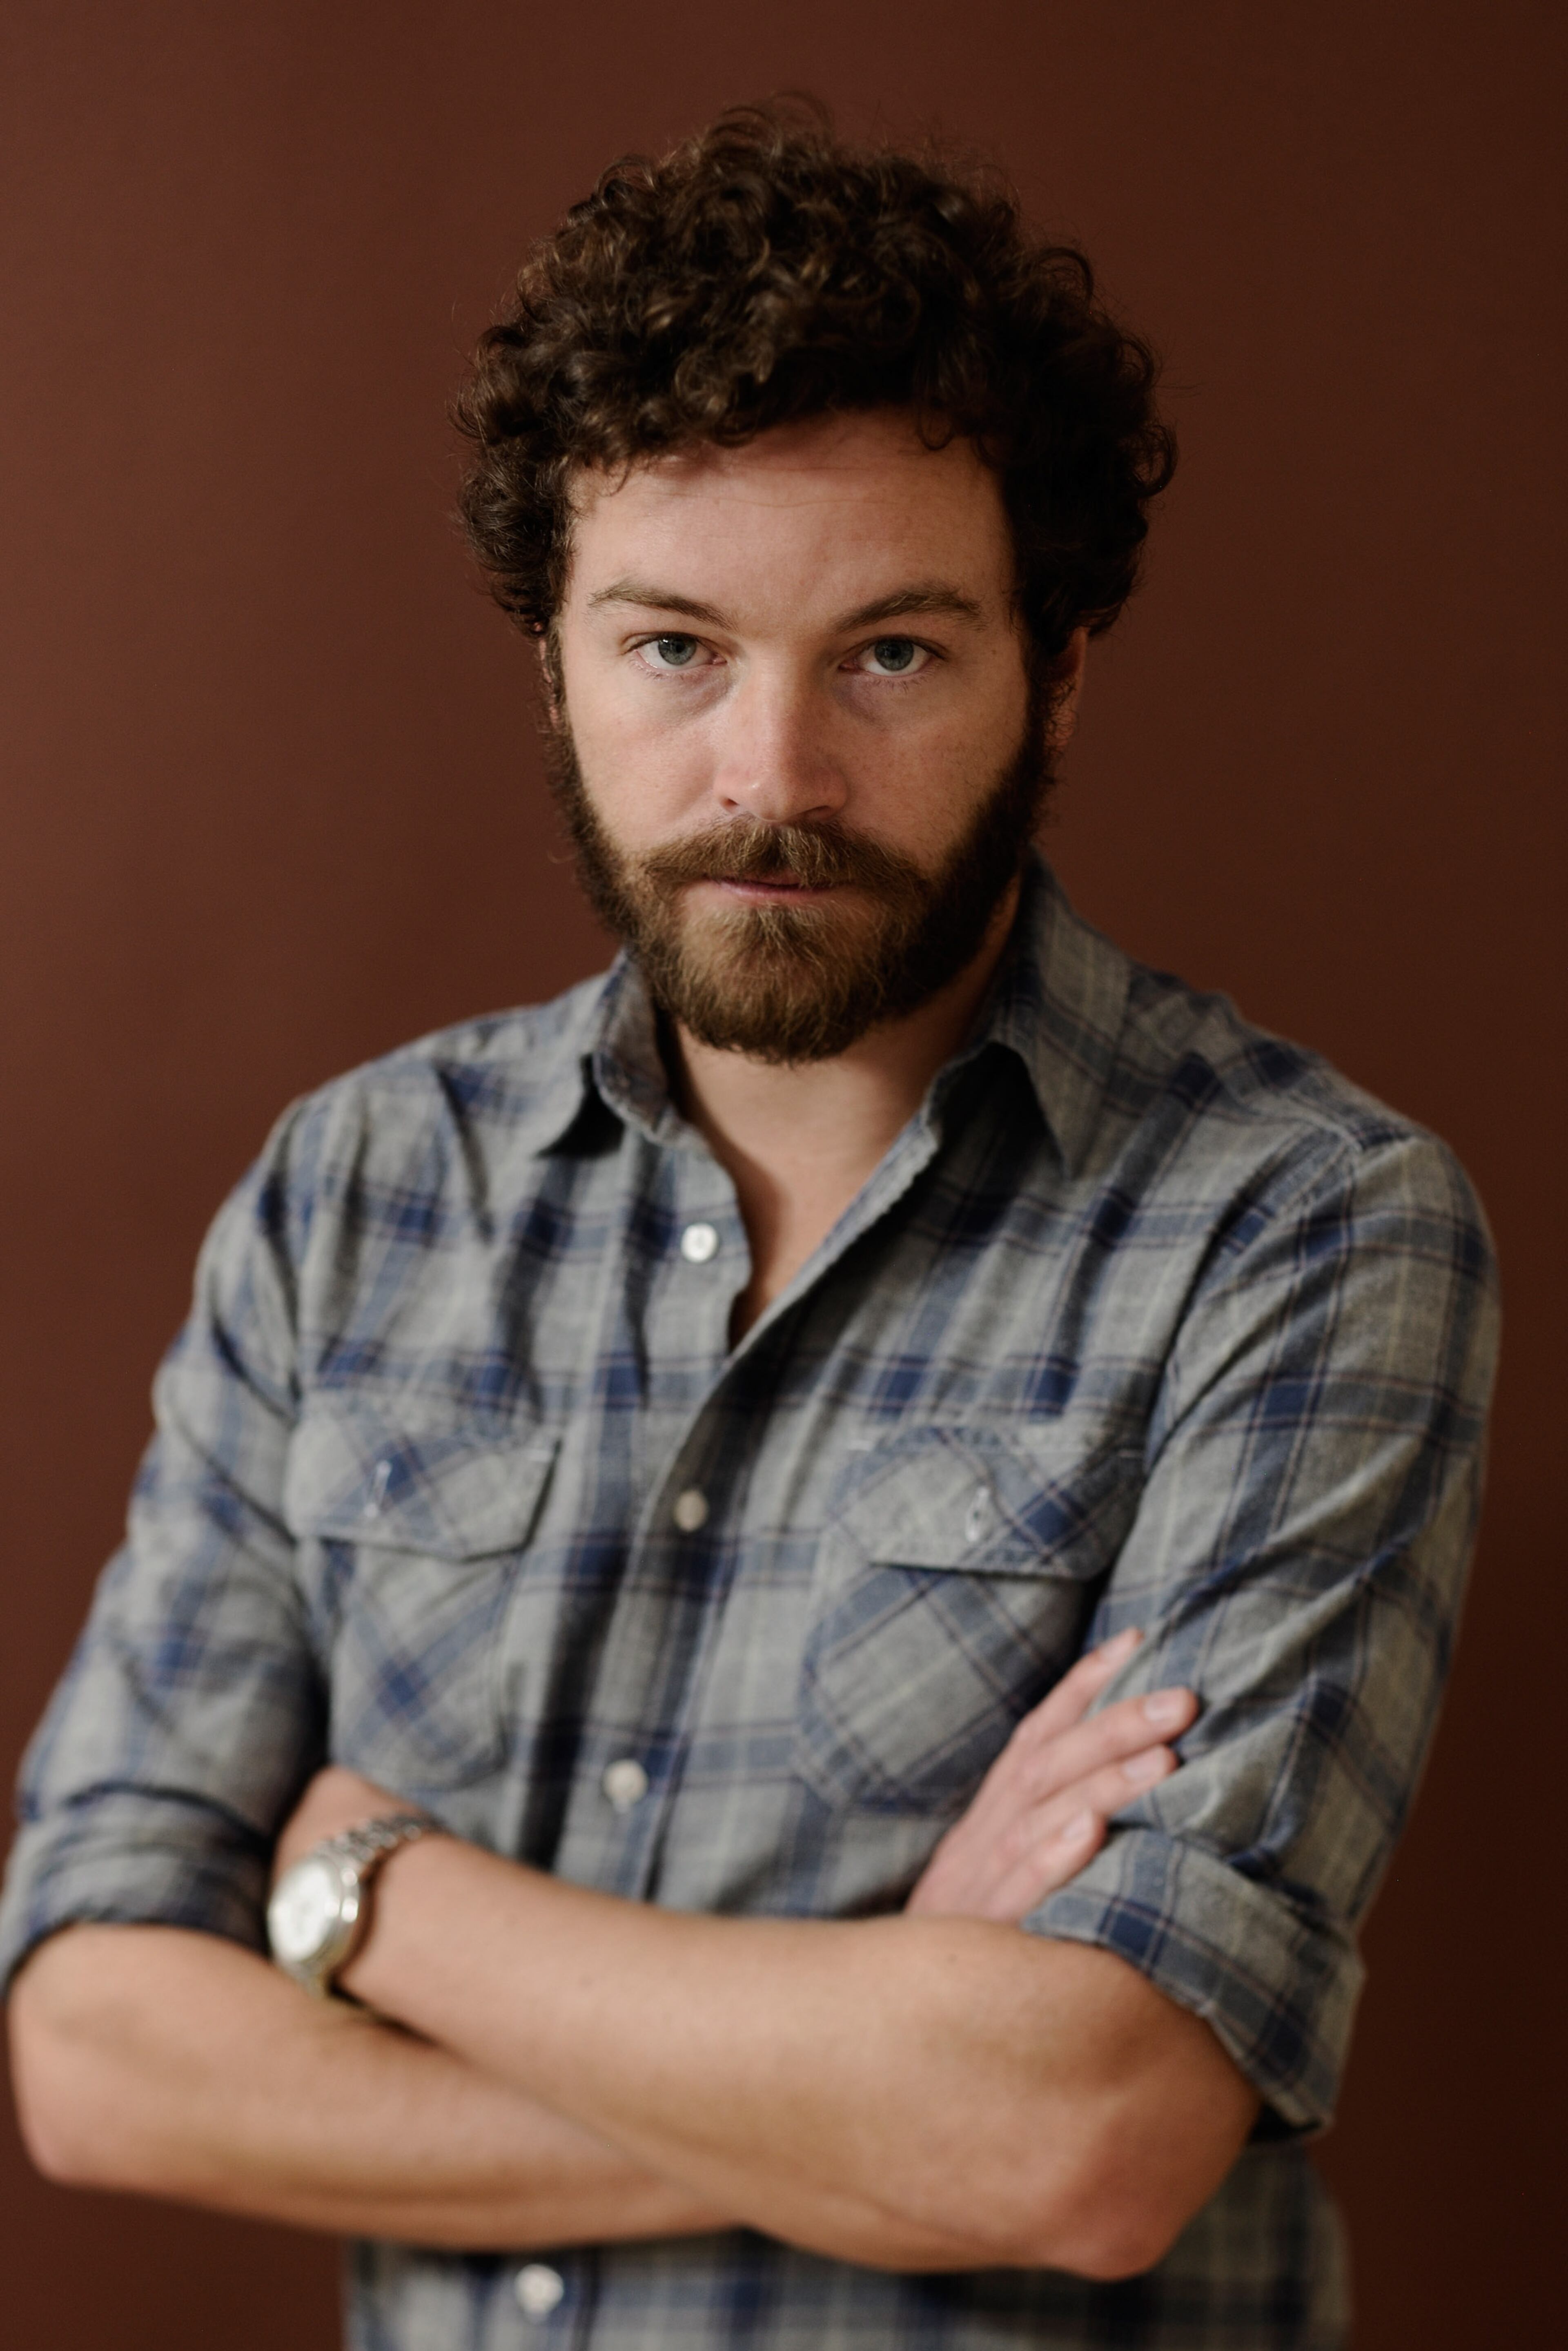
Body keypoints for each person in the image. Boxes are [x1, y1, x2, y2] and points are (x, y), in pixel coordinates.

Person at [2, 101, 1497, 2351]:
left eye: (890, 653)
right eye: (674, 647)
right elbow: (94, 2054)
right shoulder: (355, 1195)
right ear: (555, 659)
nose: (770, 776)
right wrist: (889, 2044)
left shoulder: (1301, 1232)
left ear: (1058, 668)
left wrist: (373, 1897)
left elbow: (1077, 2146)